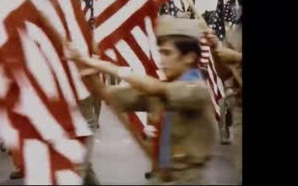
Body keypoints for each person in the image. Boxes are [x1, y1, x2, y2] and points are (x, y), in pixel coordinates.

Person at [68, 16, 216, 184]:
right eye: (160, 52)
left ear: (189, 57)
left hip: (188, 179)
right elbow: (107, 94)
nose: (161, 60)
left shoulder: (197, 90)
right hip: (161, 176)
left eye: (167, 53)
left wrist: (104, 66)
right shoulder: (163, 89)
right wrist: (86, 69)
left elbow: (157, 89)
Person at [205, 17, 242, 183]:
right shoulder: (235, 32)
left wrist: (237, 58)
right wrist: (215, 50)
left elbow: (235, 60)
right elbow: (225, 73)